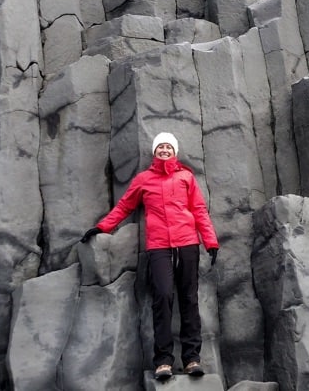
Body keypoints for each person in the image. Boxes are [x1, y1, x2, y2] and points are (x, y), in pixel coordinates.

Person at [80, 131, 219, 380]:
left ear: (174, 152)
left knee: (189, 299)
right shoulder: (144, 179)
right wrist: (102, 227)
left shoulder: (186, 177)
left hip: (187, 244)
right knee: (162, 298)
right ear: (154, 152)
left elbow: (199, 210)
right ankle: (163, 361)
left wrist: (210, 241)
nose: (164, 150)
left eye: (168, 147)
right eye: (160, 147)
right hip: (159, 248)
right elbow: (124, 206)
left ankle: (192, 359)